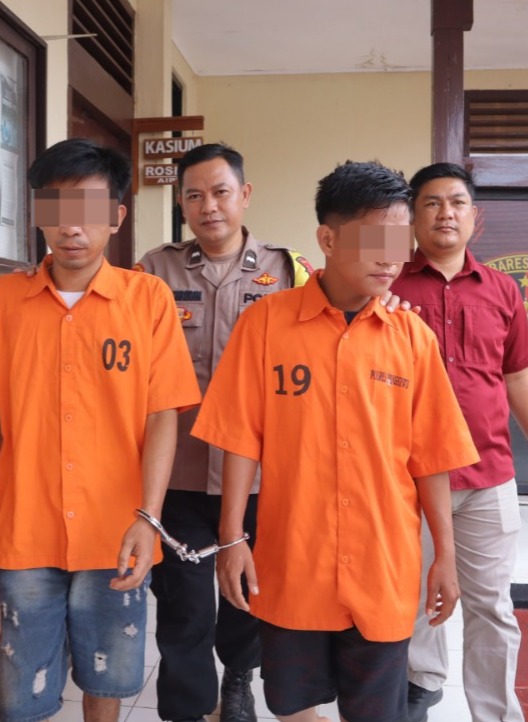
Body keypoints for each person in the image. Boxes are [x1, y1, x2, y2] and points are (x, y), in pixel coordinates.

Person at [192, 160, 480, 722]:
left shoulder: (412, 338)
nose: (391, 258)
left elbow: (432, 458)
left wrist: (445, 556)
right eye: (374, 241)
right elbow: (239, 438)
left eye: (399, 241)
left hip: (383, 567)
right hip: (294, 561)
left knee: (374, 709)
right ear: (327, 239)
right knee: (291, 703)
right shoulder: (266, 325)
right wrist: (231, 538)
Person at [0, 138, 201, 722]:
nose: (72, 227)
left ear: (116, 217)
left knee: (109, 673)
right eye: (57, 209)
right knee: (22, 686)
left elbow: (162, 415)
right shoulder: (4, 300)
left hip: (116, 527)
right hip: (25, 524)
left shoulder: (148, 299)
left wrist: (149, 518)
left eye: (90, 211)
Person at [135, 142, 312, 722]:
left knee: (245, 594)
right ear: (181, 203)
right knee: (184, 606)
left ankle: (238, 680)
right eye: (194, 195)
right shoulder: (152, 271)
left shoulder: (290, 272)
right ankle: (188, 707)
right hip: (178, 473)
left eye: (220, 192)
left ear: (245, 195)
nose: (208, 206)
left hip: (259, 474)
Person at [390, 162, 528, 722]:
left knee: (492, 606)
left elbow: (517, 375)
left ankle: (496, 713)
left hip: (488, 474)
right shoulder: (388, 285)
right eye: (432, 202)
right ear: (413, 216)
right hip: (409, 477)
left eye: (457, 202)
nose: (446, 213)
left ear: (474, 216)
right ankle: (419, 689)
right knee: (414, 597)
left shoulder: (503, 289)